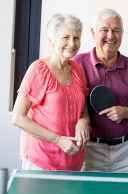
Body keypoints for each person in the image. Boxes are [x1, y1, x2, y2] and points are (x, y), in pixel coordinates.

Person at [74, 9, 128, 173]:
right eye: (104, 30)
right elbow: (68, 103)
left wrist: (126, 112)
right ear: (93, 32)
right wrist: (82, 119)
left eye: (116, 30)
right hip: (90, 148)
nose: (110, 35)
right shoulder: (77, 64)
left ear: (122, 34)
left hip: (126, 151)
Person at [12, 14, 90, 170]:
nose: (72, 43)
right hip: (41, 161)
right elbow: (17, 118)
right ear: (52, 39)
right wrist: (58, 140)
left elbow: (83, 110)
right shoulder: (38, 70)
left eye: (76, 38)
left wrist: (83, 121)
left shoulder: (77, 70)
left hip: (73, 160)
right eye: (65, 37)